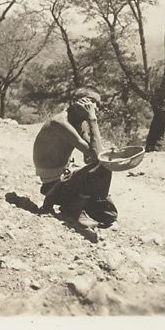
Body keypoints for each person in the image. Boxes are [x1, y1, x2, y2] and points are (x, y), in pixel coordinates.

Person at [33, 86, 117, 229]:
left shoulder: (79, 123)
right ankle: (73, 209)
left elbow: (90, 159)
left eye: (97, 104)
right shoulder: (60, 123)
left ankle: (74, 204)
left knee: (108, 215)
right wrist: (92, 119)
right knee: (103, 167)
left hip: (67, 179)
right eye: (90, 102)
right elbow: (98, 157)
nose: (94, 107)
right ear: (74, 101)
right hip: (54, 184)